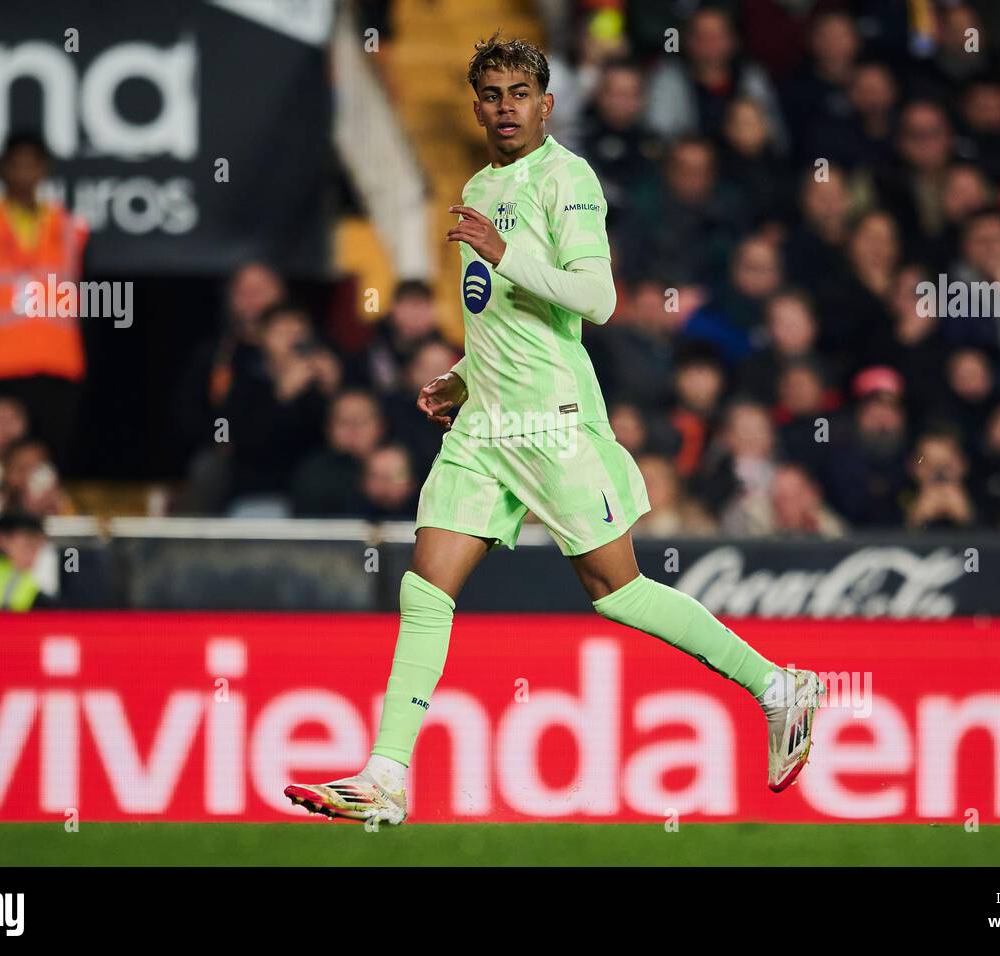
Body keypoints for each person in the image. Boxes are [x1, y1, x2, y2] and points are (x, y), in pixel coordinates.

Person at [285, 34, 825, 826]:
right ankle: (387, 773)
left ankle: (778, 685)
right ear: (476, 105)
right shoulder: (477, 182)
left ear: (545, 103)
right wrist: (463, 379)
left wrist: (504, 253)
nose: (505, 107)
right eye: (491, 95)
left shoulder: (566, 178)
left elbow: (595, 299)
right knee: (426, 583)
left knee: (617, 591)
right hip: (485, 426)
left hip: (552, 419)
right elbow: (505, 315)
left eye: (519, 93)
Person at [0, 131, 89, 471]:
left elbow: (91, 304)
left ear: (44, 170)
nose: (24, 174)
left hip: (56, 373)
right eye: (17, 165)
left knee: (47, 471)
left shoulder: (71, 230)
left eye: (32, 165)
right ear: (3, 169)